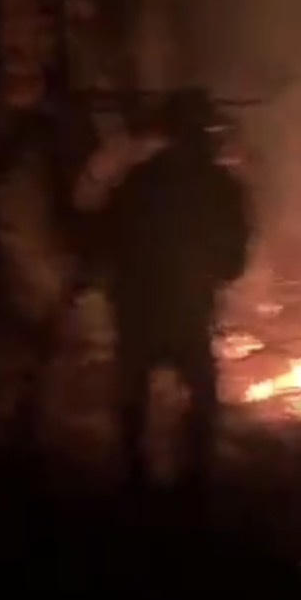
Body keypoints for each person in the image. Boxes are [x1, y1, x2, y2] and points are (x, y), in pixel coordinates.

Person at [100, 85, 250, 493]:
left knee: (135, 393)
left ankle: (137, 481)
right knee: (200, 394)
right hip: (183, 310)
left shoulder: (138, 181)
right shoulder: (221, 188)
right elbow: (233, 262)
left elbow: (108, 239)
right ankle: (191, 484)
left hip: (140, 306)